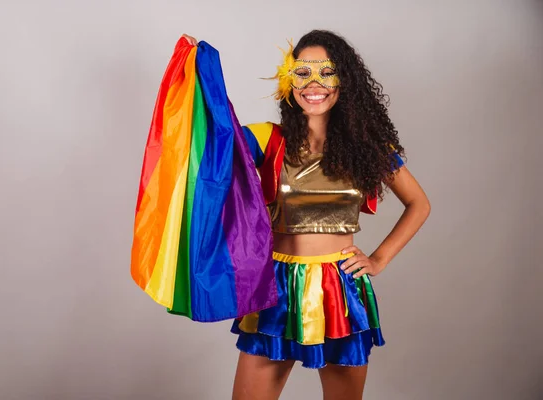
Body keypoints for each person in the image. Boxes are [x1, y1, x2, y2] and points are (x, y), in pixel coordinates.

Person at [180, 30, 430, 400]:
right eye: (302, 73)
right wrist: (201, 75)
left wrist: (378, 259)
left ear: (344, 80)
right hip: (277, 285)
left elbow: (419, 204)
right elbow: (215, 142)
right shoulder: (267, 139)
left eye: (326, 73)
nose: (313, 84)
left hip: (339, 289)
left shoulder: (368, 148)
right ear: (288, 81)